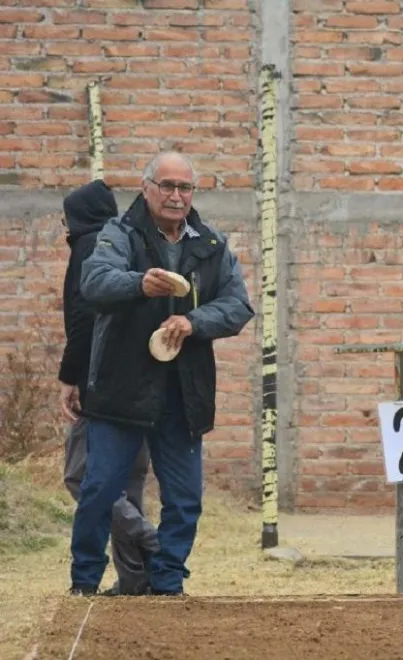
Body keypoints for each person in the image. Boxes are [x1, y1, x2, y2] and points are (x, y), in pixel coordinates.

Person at [69, 151, 255, 596]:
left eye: (184, 187)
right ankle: (84, 583)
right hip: (121, 387)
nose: (176, 196)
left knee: (185, 498)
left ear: (193, 193)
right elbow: (94, 282)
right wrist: (138, 284)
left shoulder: (212, 243)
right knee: (99, 489)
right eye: (167, 186)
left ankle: (168, 582)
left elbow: (238, 306)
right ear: (146, 187)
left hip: (182, 392)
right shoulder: (118, 233)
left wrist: (194, 322)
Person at [58, 179, 159, 596]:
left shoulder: (89, 248)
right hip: (139, 382)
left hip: (101, 384)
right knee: (128, 481)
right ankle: (135, 578)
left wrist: (71, 377)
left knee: (81, 475)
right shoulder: (129, 242)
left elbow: (85, 319)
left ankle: (148, 537)